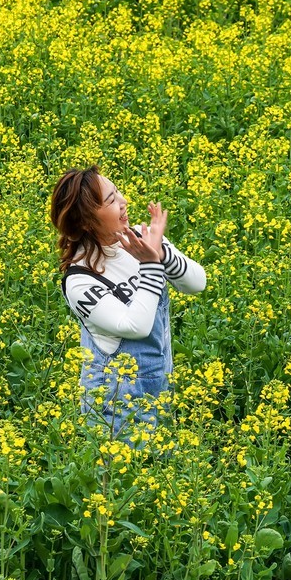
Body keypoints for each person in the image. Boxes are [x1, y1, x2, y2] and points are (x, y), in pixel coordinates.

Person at [50, 166, 207, 441]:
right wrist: (150, 263)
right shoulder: (79, 280)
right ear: (86, 221)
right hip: (114, 409)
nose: (123, 202)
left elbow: (197, 283)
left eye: (117, 192)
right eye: (111, 201)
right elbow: (136, 326)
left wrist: (160, 253)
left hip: (158, 392)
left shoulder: (140, 239)